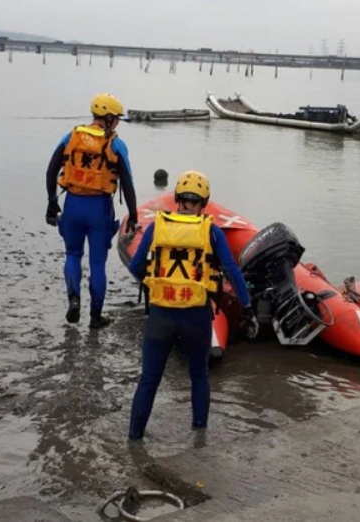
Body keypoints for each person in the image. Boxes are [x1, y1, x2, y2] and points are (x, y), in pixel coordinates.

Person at [126, 170, 259, 441]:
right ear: (204, 202)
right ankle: (199, 438)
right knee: (199, 375)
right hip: (196, 315)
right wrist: (247, 308)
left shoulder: (156, 226)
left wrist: (155, 286)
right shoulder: (211, 231)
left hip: (161, 315)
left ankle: (134, 438)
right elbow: (232, 271)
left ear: (177, 199)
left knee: (149, 379)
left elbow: (138, 265)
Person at [45, 93, 138, 329]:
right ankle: (95, 317)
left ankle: (74, 299)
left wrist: (52, 202)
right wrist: (133, 215)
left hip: (73, 206)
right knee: (97, 263)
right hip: (99, 209)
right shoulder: (115, 144)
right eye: (116, 119)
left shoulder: (72, 136)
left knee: (72, 255)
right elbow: (127, 183)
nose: (117, 123)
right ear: (107, 118)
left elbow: (51, 171)